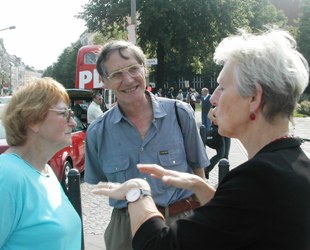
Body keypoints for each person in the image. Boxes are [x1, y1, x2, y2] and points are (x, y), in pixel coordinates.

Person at [92, 28, 310, 250]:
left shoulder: (257, 178)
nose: (213, 97)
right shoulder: (293, 165)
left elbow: (159, 246)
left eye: (222, 87)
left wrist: (137, 190)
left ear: (254, 97)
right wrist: (199, 185)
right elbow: (237, 219)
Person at [84, 40, 209, 250]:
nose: (128, 79)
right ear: (105, 82)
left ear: (144, 70)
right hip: (126, 232)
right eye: (116, 74)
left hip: (182, 222)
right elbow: (97, 181)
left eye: (133, 69)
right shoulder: (97, 132)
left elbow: (199, 171)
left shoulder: (179, 114)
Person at [0, 77, 82, 249]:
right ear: (33, 120)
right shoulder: (6, 177)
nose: (73, 122)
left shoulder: (46, 171)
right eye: (63, 114)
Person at [204, 107, 231, 179]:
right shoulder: (216, 102)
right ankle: (206, 170)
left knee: (226, 155)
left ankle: (224, 176)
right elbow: (209, 115)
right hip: (218, 131)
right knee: (220, 154)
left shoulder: (230, 102)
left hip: (227, 131)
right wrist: (217, 120)